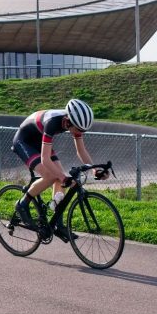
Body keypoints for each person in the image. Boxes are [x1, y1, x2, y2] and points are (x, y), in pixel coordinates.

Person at [11, 98, 105, 240]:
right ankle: (22, 204)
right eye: (79, 130)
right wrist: (62, 177)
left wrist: (94, 169)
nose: (80, 133)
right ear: (68, 122)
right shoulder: (53, 122)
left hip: (40, 140)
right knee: (53, 176)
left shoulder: (74, 123)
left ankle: (58, 225)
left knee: (60, 177)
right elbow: (45, 159)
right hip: (24, 141)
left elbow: (81, 151)